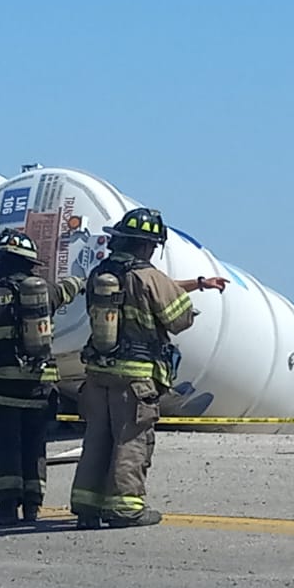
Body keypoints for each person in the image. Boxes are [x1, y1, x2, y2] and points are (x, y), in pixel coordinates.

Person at [69, 207, 226, 529]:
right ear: (144, 245)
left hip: (98, 375)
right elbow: (178, 319)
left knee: (97, 440)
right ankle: (126, 509)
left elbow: (151, 288)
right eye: (152, 246)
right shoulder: (148, 276)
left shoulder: (100, 275)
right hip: (136, 379)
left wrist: (199, 284)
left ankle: (87, 508)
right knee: (131, 441)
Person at [0, 228, 83, 526]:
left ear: (2, 262)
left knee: (5, 446)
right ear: (29, 264)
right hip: (39, 388)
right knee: (35, 446)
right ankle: (33, 506)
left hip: (1, 389)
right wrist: (81, 282)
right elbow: (67, 289)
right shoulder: (46, 291)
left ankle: (7, 507)